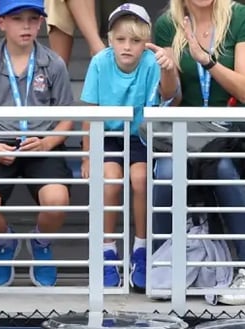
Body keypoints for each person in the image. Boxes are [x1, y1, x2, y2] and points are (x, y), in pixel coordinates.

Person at [150, 0, 245, 303]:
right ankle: (166, 270)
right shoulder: (168, 24)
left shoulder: (244, 17)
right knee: (166, 172)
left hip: (237, 130)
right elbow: (171, 99)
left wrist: (206, 60)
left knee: (222, 168)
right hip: (190, 133)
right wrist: (167, 72)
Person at [78, 2, 179, 288]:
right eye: (120, 39)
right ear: (110, 39)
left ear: (145, 42)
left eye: (135, 41)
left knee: (140, 179)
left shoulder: (151, 62)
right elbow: (90, 112)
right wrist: (87, 155)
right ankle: (106, 252)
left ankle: (141, 249)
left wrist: (169, 69)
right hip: (108, 136)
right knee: (110, 181)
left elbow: (171, 96)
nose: (127, 47)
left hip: (142, 137)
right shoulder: (100, 62)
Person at [0, 0, 73, 288]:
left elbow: (67, 118)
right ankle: (5, 243)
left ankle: (40, 243)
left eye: (33, 18)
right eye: (17, 19)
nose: (26, 26)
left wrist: (48, 142)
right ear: (1, 22)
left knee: (57, 200)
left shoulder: (53, 63)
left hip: (41, 142)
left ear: (41, 22)